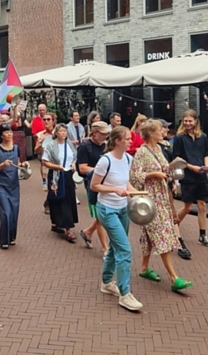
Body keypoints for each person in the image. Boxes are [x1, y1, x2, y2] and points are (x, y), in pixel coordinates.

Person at [131, 120, 193, 293]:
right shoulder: (141, 152)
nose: (164, 131)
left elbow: (164, 170)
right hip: (150, 199)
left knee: (150, 233)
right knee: (162, 233)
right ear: (151, 133)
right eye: (160, 129)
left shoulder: (159, 148)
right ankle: (174, 278)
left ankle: (144, 268)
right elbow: (135, 176)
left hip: (162, 197)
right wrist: (153, 174)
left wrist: (172, 167)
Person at [90, 126, 142, 311]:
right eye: (127, 139)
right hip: (107, 209)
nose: (130, 141)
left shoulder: (128, 158)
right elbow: (94, 186)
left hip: (122, 209)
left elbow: (125, 183)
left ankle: (106, 282)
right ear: (118, 141)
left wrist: (137, 194)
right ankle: (125, 294)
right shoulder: (105, 161)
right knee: (124, 250)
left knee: (115, 247)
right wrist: (114, 189)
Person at [173, 109, 208, 256]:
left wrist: (206, 167)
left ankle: (202, 235)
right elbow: (177, 157)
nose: (187, 123)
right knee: (187, 206)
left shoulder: (203, 137)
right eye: (185, 121)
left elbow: (206, 154)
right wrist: (191, 167)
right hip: (188, 175)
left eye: (190, 121)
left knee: (202, 204)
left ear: (195, 121)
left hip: (201, 175)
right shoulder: (179, 138)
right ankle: (173, 226)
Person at [0, 123, 30, 249]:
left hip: (14, 185)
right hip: (1, 185)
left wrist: (24, 165)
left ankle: (12, 237)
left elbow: (17, 164)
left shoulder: (16, 148)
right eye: (6, 132)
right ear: (1, 135)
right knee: (6, 212)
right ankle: (3, 240)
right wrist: (3, 165)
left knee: (14, 212)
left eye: (10, 132)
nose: (9, 134)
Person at [42, 123, 79, 242]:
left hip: (68, 175)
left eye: (65, 131)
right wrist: (57, 167)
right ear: (56, 133)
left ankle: (67, 226)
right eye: (61, 131)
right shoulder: (51, 146)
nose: (63, 133)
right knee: (57, 199)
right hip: (56, 175)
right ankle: (60, 225)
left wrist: (73, 164)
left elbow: (75, 157)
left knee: (68, 199)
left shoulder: (69, 144)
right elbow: (45, 161)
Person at [78, 121, 111, 254]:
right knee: (100, 214)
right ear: (95, 133)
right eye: (103, 134)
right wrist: (99, 171)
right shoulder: (84, 147)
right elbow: (82, 168)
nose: (106, 136)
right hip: (92, 184)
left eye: (107, 133)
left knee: (103, 214)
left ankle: (88, 232)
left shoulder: (106, 145)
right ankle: (105, 248)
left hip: (106, 183)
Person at [24, 103, 48, 191]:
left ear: (46, 110)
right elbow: (33, 134)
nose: (42, 111)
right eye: (40, 110)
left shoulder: (49, 118)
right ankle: (44, 181)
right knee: (43, 163)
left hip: (50, 144)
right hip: (40, 145)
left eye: (43, 110)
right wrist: (41, 135)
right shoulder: (35, 120)